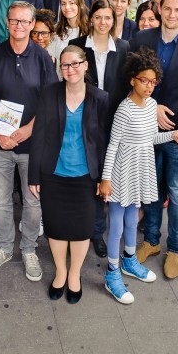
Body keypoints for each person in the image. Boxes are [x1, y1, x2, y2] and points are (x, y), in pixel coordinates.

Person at [128, 0, 178, 280]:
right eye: (168, 8)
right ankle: (151, 241)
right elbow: (131, 84)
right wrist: (153, 106)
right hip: (146, 133)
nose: (172, 15)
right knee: (149, 191)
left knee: (176, 193)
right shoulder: (141, 40)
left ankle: (174, 248)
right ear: (159, 8)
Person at [0, 2, 58, 281]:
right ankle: (3, 247)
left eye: (25, 22)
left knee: (32, 201)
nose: (19, 26)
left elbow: (51, 101)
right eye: (14, 21)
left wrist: (28, 130)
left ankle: (28, 249)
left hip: (33, 144)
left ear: (33, 24)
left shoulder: (43, 59)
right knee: (0, 200)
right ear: (7, 23)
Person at [99, 50, 178, 303]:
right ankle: (112, 273)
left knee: (131, 222)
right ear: (132, 80)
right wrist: (106, 179)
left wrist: (174, 134)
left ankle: (129, 262)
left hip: (140, 170)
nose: (149, 86)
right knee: (116, 225)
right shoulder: (124, 110)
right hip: (122, 171)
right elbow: (113, 145)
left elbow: (150, 139)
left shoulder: (151, 106)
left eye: (153, 81)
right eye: (143, 80)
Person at [28, 45, 109, 304]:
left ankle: (75, 275)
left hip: (86, 176)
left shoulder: (101, 98)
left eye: (75, 64)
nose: (70, 69)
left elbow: (104, 142)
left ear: (86, 65)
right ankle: (60, 273)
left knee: (82, 229)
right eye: (65, 65)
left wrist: (104, 177)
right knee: (57, 227)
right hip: (53, 173)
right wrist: (34, 176)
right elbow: (38, 134)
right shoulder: (50, 94)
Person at [68, 0, 131, 257]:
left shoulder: (125, 47)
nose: (103, 22)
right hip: (84, 122)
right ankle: (77, 228)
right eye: (98, 17)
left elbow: (128, 87)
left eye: (108, 18)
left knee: (104, 179)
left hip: (114, 124)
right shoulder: (78, 46)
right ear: (90, 19)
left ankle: (97, 232)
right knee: (84, 177)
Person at [46, 0, 89, 72]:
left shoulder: (91, 30)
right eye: (63, 4)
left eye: (71, 3)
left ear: (80, 5)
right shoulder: (55, 30)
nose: (67, 7)